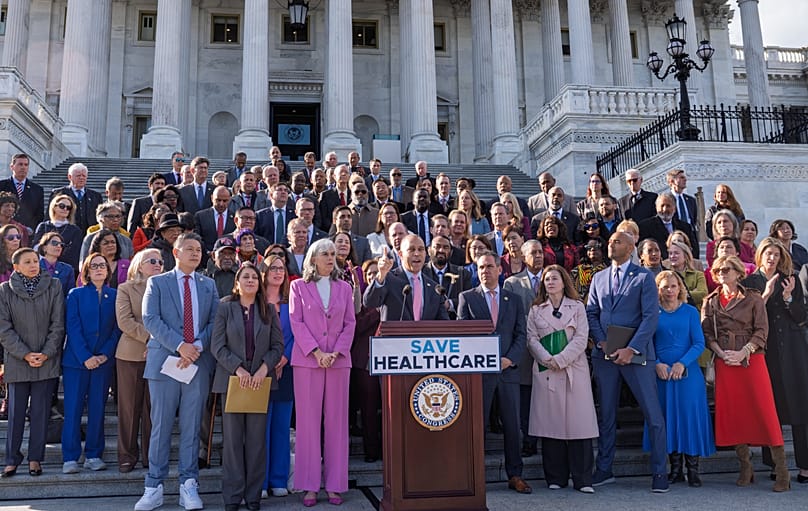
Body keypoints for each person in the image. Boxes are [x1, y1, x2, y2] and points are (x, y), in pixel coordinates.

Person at [136, 233, 219, 511]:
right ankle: (154, 485)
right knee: (160, 426)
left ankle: (189, 484)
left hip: (197, 362)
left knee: (192, 426)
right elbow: (150, 319)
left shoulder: (208, 285)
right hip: (165, 363)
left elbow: (214, 322)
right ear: (176, 252)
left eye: (199, 249)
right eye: (190, 249)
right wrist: (180, 345)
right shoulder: (157, 282)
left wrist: (195, 346)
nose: (196, 253)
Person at [586, 232, 667, 492]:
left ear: (631, 248)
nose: (610, 244)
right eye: (609, 241)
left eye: (617, 241)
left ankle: (659, 472)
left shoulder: (644, 277)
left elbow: (650, 317)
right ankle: (604, 468)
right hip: (605, 355)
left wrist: (631, 349)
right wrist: (600, 341)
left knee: (653, 415)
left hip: (638, 355)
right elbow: (591, 312)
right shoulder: (598, 278)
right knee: (607, 414)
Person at [702, 255, 788, 491]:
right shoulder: (710, 301)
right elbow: (707, 332)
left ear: (738, 272)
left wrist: (743, 352)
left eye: (726, 269)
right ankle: (745, 467)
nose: (721, 273)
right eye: (717, 269)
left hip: (752, 360)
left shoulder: (753, 298)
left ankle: (782, 472)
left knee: (765, 412)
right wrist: (720, 352)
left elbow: (762, 330)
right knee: (735, 413)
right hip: (725, 361)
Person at [289, 239, 356, 507]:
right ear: (312, 259)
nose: (330, 257)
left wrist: (336, 352)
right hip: (308, 362)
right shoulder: (298, 287)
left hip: (338, 362)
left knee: (337, 424)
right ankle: (309, 485)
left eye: (332, 253)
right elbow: (296, 322)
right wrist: (317, 352)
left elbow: (350, 323)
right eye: (324, 254)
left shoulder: (344, 288)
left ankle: (335, 485)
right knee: (308, 424)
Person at [211, 263, 284, 511]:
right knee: (232, 442)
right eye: (246, 276)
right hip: (233, 382)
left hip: (260, 383)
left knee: (256, 442)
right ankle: (232, 497)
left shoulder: (268, 311)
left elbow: (277, 347)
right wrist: (239, 369)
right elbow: (217, 346)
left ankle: (253, 497)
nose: (251, 280)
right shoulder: (225, 307)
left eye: (254, 276)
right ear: (237, 282)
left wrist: (264, 370)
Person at [458, 252, 531, 494]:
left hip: (508, 371)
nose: (485, 271)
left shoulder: (513, 299)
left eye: (490, 266)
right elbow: (463, 335)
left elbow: (521, 334)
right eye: (481, 267)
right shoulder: (467, 298)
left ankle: (515, 474)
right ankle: (474, 475)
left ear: (500, 270)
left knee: (513, 425)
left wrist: (510, 359)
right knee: (477, 425)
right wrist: (482, 358)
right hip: (479, 374)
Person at [526, 265, 598, 493]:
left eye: (554, 278)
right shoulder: (536, 310)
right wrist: (548, 358)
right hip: (547, 370)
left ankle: (583, 479)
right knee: (551, 425)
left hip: (573, 369)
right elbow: (531, 339)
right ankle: (555, 477)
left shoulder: (577, 307)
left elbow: (581, 337)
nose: (550, 282)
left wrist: (562, 358)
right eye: (546, 279)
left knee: (580, 426)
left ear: (564, 281)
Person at [743, 238, 808, 485]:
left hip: (794, 350)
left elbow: (802, 317)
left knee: (802, 407)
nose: (772, 258)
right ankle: (775, 465)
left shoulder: (790, 279)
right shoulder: (750, 283)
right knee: (772, 408)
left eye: (776, 255)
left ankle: (805, 466)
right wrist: (767, 295)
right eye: (768, 253)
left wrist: (790, 297)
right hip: (765, 352)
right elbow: (747, 317)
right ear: (760, 255)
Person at [646, 271, 715, 487]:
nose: (669, 290)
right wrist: (656, 362)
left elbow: (698, 343)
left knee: (689, 418)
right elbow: (646, 342)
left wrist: (682, 363)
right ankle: (675, 470)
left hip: (688, 375)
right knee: (668, 419)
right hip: (661, 374)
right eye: (665, 286)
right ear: (658, 289)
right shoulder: (652, 313)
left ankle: (693, 470)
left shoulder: (690, 312)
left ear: (680, 288)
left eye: (673, 286)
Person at [0, 247, 64, 479]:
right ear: (16, 267)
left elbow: (58, 325)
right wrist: (26, 354)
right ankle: (11, 459)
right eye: (27, 262)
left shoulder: (54, 286)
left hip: (46, 361)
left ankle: (35, 458)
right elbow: (3, 328)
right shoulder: (5, 290)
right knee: (16, 414)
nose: (33, 265)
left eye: (35, 260)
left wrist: (46, 353)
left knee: (40, 412)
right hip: (18, 362)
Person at [61, 252, 121, 474]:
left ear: (107, 271)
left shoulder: (114, 295)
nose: (99, 269)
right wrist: (86, 357)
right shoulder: (75, 294)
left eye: (102, 266)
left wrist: (105, 354)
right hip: (77, 363)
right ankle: (70, 457)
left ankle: (94, 454)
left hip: (103, 363)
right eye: (94, 265)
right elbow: (72, 327)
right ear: (86, 270)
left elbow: (117, 329)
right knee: (73, 409)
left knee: (97, 409)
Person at [115, 249, 163, 474]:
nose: (157, 264)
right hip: (131, 356)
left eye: (161, 261)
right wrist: (151, 339)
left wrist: (157, 344)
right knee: (129, 409)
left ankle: (149, 455)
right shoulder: (125, 289)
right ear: (138, 264)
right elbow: (125, 321)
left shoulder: (165, 289)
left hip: (160, 355)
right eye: (152, 261)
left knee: (153, 409)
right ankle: (126, 455)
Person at [261, 255, 296, 497]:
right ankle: (260, 482)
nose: (277, 272)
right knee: (260, 428)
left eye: (281, 268)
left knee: (282, 426)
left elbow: (298, 331)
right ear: (264, 272)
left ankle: (278, 479)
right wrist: (269, 362)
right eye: (272, 268)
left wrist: (285, 357)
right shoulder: (255, 301)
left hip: (286, 368)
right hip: (261, 370)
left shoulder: (292, 301)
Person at [32, 194, 83, 273]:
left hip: (64, 271)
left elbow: (74, 255)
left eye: (68, 208)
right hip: (41, 268)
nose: (65, 209)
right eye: (62, 206)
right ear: (54, 207)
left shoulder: (75, 230)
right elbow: (36, 248)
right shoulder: (43, 226)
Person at [0, 153, 44, 232]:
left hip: (28, 234)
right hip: (3, 231)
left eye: (26, 165)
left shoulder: (37, 190)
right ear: (12, 167)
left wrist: (32, 229)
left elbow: (39, 215)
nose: (23, 167)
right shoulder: (1, 186)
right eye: (20, 164)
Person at [667, 240, 708, 309]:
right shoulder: (666, 275)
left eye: (676, 253)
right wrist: (690, 293)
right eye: (670, 253)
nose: (672, 256)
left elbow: (703, 294)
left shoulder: (698, 275)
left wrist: (676, 294)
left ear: (685, 256)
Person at [38, 232, 75, 297]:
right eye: (54, 243)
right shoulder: (34, 267)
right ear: (44, 247)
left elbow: (69, 295)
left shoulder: (68, 269)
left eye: (61, 244)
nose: (58, 246)